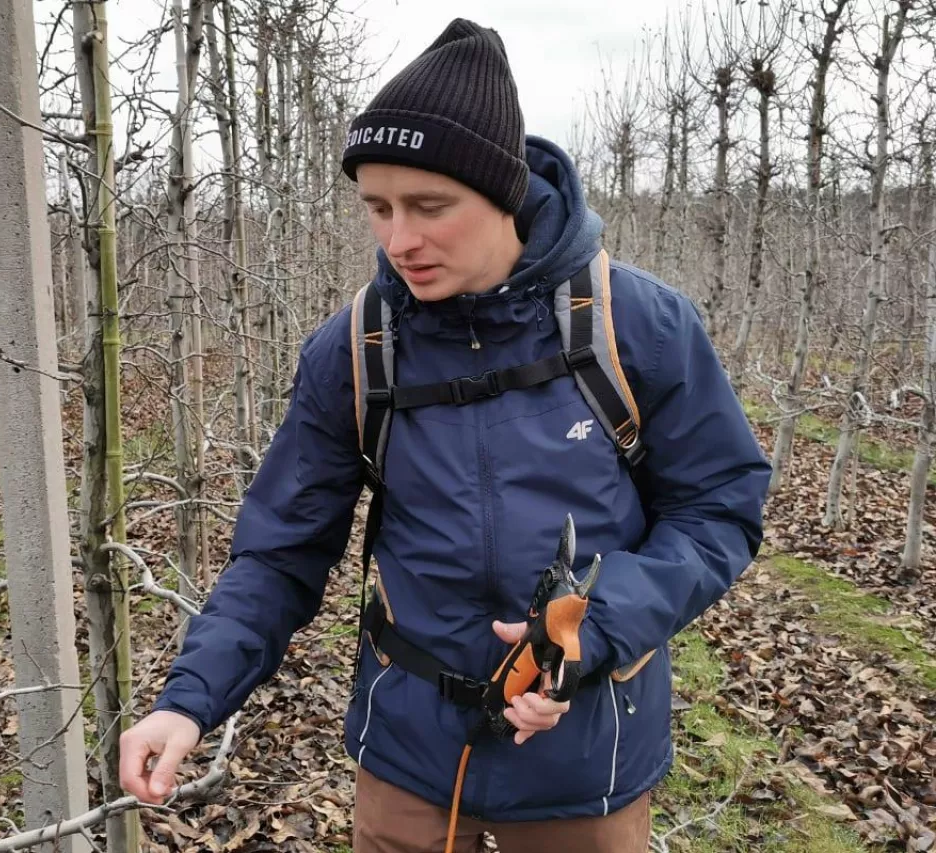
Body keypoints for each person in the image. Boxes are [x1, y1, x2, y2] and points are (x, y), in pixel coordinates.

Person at [118, 17, 771, 853]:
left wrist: (591, 628)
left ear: (502, 193)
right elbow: (281, 550)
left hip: (583, 750)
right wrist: (189, 697)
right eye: (378, 208)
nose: (399, 240)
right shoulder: (356, 348)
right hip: (411, 754)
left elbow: (719, 507)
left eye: (430, 206)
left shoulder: (632, 324)